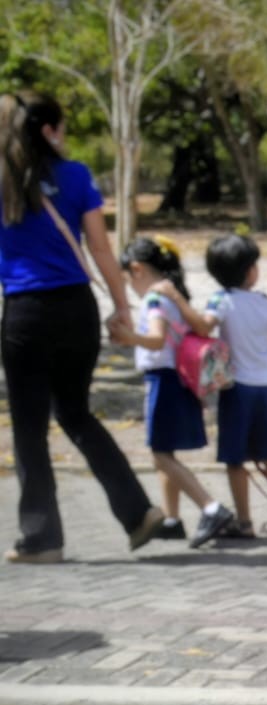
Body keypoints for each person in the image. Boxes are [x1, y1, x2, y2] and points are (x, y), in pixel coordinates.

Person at [0, 89, 162, 562]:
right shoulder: (76, 177)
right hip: (76, 309)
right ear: (49, 131)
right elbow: (101, 249)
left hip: (24, 313)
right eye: (63, 128)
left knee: (30, 428)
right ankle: (137, 513)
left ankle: (42, 538)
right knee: (76, 413)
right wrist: (121, 305)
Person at [161, 234, 267, 538]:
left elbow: (204, 326)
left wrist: (178, 300)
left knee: (236, 459)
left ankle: (245, 522)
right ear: (250, 271)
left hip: (237, 388)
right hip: (266, 386)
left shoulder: (221, 301)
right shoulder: (263, 302)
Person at [109, 237, 235, 549]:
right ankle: (171, 519)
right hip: (177, 379)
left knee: (160, 454)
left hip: (161, 380)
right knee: (165, 453)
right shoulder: (170, 296)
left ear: (136, 269)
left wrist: (127, 337)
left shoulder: (154, 299)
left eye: (127, 278)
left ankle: (211, 507)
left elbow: (155, 339)